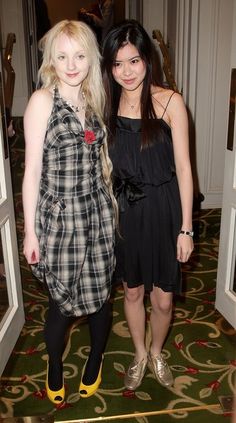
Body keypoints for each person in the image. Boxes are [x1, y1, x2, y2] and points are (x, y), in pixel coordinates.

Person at [22, 20, 117, 405]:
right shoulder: (42, 101)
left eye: (79, 55)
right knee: (60, 307)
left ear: (90, 58)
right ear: (51, 60)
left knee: (100, 301)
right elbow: (30, 172)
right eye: (62, 56)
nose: (71, 64)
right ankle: (55, 365)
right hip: (60, 223)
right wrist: (30, 232)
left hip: (97, 218)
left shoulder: (94, 99)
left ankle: (95, 359)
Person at [102, 19, 194, 391]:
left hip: (163, 208)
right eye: (118, 63)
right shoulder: (105, 104)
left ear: (147, 61)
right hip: (124, 210)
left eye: (134, 61)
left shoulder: (169, 101)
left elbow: (186, 169)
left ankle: (157, 351)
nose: (126, 72)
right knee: (132, 290)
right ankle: (140, 354)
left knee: (163, 298)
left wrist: (186, 227)